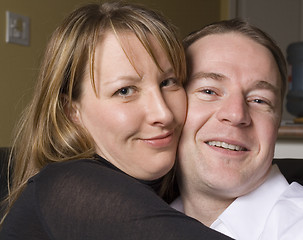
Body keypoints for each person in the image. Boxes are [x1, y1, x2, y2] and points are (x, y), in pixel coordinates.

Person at [0, 2, 233, 239]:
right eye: (125, 91)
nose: (163, 113)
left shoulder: (165, 186)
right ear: (72, 111)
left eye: (168, 82)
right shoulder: (69, 187)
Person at [171, 18, 303, 239]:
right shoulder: (136, 218)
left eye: (260, 100)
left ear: (277, 124)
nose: (236, 114)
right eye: (209, 91)